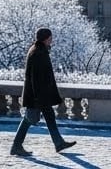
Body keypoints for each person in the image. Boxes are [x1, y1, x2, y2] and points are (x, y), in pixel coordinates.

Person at [11, 28, 76, 157]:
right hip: (39, 96)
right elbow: (37, 78)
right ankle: (16, 146)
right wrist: (38, 98)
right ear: (46, 38)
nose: (52, 40)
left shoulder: (38, 50)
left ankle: (58, 143)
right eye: (50, 38)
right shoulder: (38, 53)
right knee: (29, 119)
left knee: (49, 117)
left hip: (40, 95)